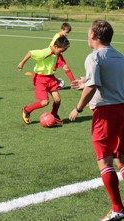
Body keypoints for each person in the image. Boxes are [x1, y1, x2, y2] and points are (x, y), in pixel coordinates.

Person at [69, 20, 124, 221]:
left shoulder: (94, 57)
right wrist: (86, 81)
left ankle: (117, 208)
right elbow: (110, 79)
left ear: (94, 35)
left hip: (105, 114)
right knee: (122, 158)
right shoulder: (120, 56)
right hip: (122, 110)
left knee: (105, 159)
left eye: (88, 32)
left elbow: (92, 87)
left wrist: (78, 108)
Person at [17, 36, 71, 125]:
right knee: (45, 102)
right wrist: (22, 63)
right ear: (56, 47)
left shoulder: (56, 54)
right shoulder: (44, 53)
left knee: (57, 100)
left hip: (51, 78)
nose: (61, 53)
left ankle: (54, 115)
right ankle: (26, 110)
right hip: (40, 79)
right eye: (61, 51)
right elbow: (30, 53)